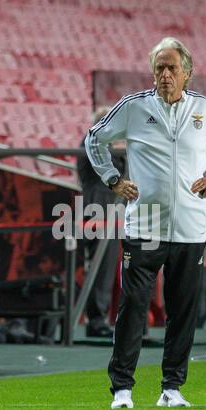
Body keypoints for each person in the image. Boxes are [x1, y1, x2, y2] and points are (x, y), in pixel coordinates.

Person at [85, 36, 206, 408]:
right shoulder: (132, 107)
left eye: (173, 68)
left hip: (189, 230)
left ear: (187, 73)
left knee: (182, 310)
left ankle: (172, 388)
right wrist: (112, 178)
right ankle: (122, 389)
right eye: (160, 67)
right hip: (144, 227)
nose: (165, 74)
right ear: (152, 72)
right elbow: (95, 139)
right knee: (134, 306)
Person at [78, 107, 126, 337]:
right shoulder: (91, 142)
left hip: (116, 214)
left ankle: (109, 319)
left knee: (115, 270)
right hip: (99, 213)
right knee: (101, 269)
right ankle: (96, 321)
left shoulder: (110, 147)